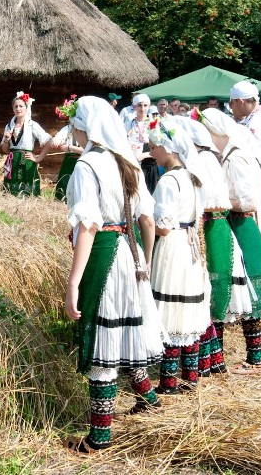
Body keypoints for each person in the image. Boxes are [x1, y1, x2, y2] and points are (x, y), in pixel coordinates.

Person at [62, 96, 165, 454]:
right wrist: (146, 261)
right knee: (124, 328)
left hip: (104, 254)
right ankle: (149, 398)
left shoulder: (87, 165)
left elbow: (88, 225)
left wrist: (73, 282)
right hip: (130, 251)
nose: (73, 126)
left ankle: (99, 437)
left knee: (103, 339)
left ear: (87, 126)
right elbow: (147, 219)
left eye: (76, 121)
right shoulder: (128, 163)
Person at [196, 108, 261, 375]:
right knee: (226, 289)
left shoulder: (236, 158)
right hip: (233, 223)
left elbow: (249, 199)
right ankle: (217, 358)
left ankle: (255, 358)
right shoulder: (225, 156)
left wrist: (221, 203)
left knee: (248, 289)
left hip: (241, 223)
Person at [147, 118, 210, 393]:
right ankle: (190, 376)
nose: (151, 153)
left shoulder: (169, 180)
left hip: (173, 244)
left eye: (154, 148)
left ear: (167, 148)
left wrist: (145, 222)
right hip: (190, 244)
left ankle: (169, 381)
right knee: (187, 307)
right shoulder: (191, 177)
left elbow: (162, 226)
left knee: (170, 308)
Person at [230, 81, 261, 310]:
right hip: (249, 181)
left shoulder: (260, 120)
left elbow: (249, 154)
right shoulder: (250, 119)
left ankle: (258, 288)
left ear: (241, 101)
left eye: (231, 104)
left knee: (255, 235)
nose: (230, 109)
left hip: (255, 183)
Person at [0, 92, 51, 196]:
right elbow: (5, 150)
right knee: (11, 195)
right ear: (13, 109)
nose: (18, 109)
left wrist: (38, 159)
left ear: (26, 108)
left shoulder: (32, 125)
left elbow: (49, 142)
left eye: (21, 106)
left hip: (26, 161)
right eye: (16, 106)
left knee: (28, 194)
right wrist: (6, 140)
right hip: (12, 162)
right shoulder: (9, 126)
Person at [125, 94, 160, 193]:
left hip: (149, 166)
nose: (142, 108)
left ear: (149, 106)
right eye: (139, 105)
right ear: (134, 106)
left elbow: (161, 148)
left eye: (145, 105)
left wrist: (143, 155)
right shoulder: (128, 124)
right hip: (132, 165)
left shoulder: (155, 124)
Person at [51, 96, 84, 201]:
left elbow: (86, 149)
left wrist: (69, 147)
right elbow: (60, 137)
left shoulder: (86, 130)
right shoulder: (68, 128)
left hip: (83, 161)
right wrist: (56, 141)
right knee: (64, 184)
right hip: (69, 162)